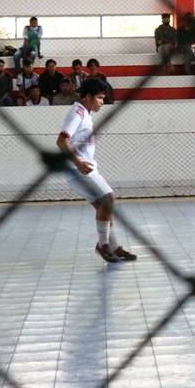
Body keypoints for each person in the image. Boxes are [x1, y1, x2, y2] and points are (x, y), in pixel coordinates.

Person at [57, 78, 137, 262]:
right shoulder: (76, 113)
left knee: (104, 207)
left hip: (86, 166)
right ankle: (103, 246)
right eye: (100, 98)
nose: (102, 102)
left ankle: (113, 246)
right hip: (77, 168)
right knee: (108, 200)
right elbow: (61, 141)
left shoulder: (85, 113)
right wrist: (78, 163)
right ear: (88, 96)